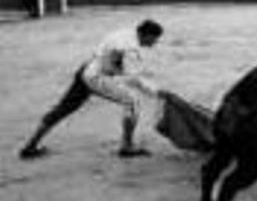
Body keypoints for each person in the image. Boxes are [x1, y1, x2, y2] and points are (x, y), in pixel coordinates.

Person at [19, 20, 165, 159]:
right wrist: (155, 92)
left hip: (87, 69)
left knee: (63, 108)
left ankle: (30, 146)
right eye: (155, 39)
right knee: (133, 102)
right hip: (97, 77)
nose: (155, 43)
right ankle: (127, 146)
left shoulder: (123, 33)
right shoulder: (130, 48)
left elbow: (111, 62)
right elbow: (127, 75)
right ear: (147, 35)